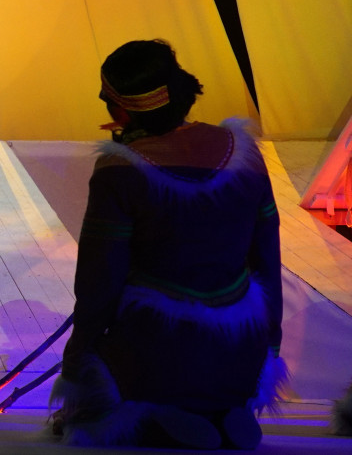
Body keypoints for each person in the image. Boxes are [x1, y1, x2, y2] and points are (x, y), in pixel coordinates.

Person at [50, 39, 286, 449]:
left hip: (158, 350)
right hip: (240, 352)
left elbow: (99, 282)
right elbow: (267, 256)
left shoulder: (119, 169)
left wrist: (76, 362)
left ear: (122, 110)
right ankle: (222, 411)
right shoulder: (246, 152)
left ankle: (155, 420)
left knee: (93, 412)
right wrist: (270, 343)